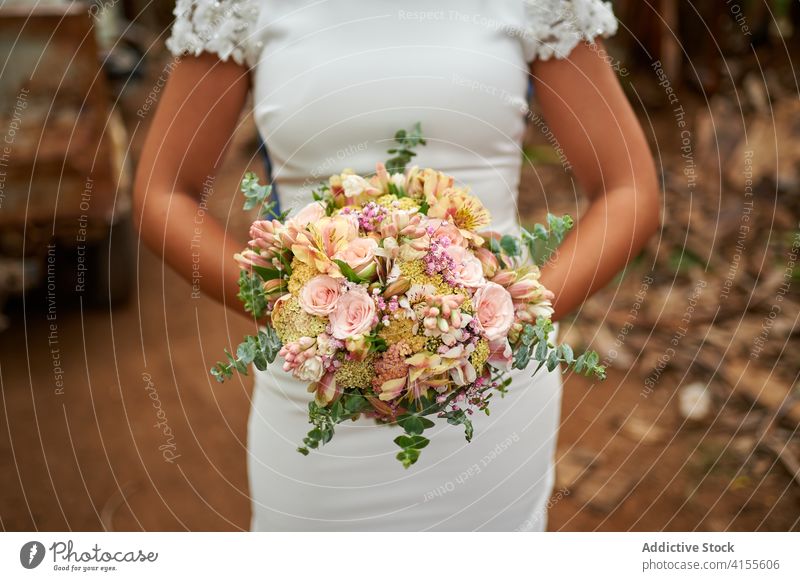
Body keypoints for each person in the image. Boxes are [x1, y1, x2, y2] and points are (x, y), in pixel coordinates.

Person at [133, 0, 660, 531]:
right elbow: (162, 191)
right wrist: (298, 319)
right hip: (318, 384)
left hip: (489, 386)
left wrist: (501, 326)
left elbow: (628, 189)